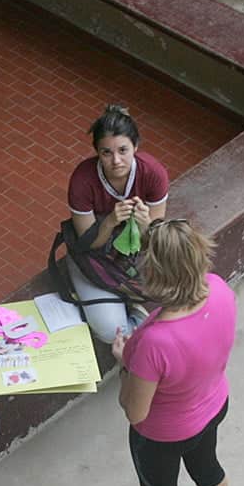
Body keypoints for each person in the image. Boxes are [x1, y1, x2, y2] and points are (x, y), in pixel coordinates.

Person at [110, 219, 237, 486]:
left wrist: (125, 362)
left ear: (155, 274)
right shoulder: (219, 290)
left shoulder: (153, 343)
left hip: (162, 436)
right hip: (212, 406)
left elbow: (134, 411)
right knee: (208, 467)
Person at [65, 105, 170, 344]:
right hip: (96, 257)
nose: (116, 161)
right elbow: (88, 245)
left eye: (123, 150)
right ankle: (136, 314)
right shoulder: (83, 180)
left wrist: (146, 224)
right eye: (106, 153)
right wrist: (110, 221)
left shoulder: (153, 173)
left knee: (171, 291)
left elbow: (156, 237)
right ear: (97, 153)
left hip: (135, 250)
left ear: (136, 146)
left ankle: (134, 308)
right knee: (111, 332)